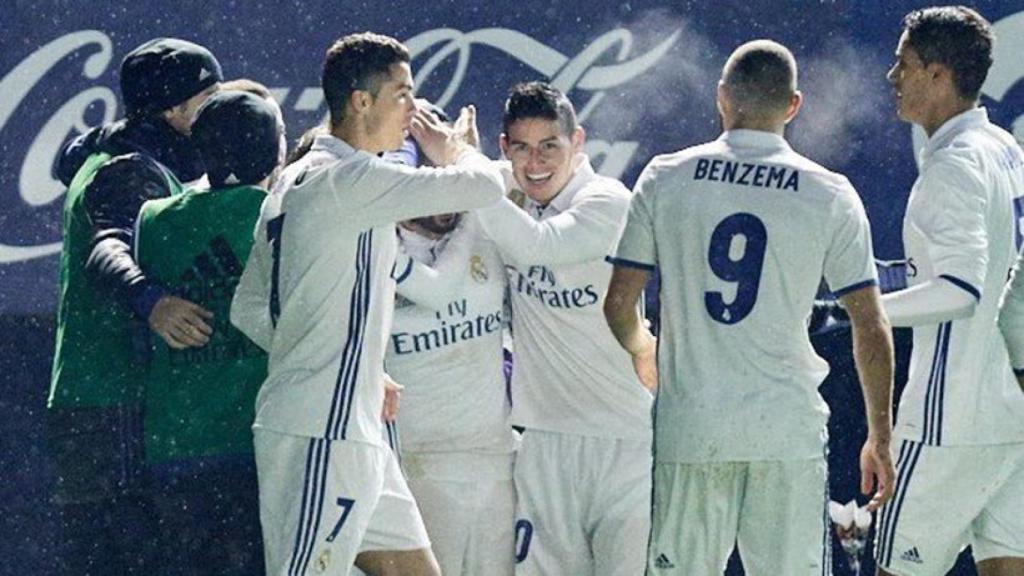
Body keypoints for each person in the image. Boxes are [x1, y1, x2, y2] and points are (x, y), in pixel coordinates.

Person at [604, 40, 895, 575]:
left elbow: (620, 303)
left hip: (693, 424)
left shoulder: (666, 177)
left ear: (722, 98)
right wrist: (880, 432)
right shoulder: (829, 192)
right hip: (784, 428)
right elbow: (871, 325)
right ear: (793, 106)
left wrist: (644, 349)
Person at [230, 32, 503, 576]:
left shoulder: (295, 179)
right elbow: (486, 185)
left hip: (351, 429)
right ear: (361, 101)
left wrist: (356, 364)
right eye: (402, 93)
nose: (414, 109)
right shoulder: (350, 178)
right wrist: (455, 147)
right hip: (320, 431)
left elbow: (249, 308)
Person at [46, 37, 221, 575]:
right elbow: (107, 247)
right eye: (208, 98)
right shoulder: (131, 169)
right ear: (173, 110)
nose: (219, 111)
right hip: (111, 398)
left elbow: (64, 157)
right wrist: (153, 302)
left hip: (92, 399)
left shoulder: (111, 152)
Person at [471, 81, 653, 575]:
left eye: (550, 146)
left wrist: (465, 172)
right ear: (504, 149)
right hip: (543, 444)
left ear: (578, 142)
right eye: (522, 149)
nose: (536, 163)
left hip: (626, 445)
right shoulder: (509, 194)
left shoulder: (607, 200)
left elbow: (537, 246)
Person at [874, 7, 1024, 575]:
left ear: (938, 76)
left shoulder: (954, 165)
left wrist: (868, 311)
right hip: (1011, 420)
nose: (893, 76)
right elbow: (983, 270)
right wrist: (859, 278)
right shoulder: (1007, 151)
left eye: (903, 64)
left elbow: (960, 289)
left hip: (948, 422)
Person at [134, 89, 284, 576]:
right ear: (276, 150)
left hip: (176, 450)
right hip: (258, 448)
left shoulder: (154, 218)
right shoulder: (284, 215)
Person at [382, 103, 518, 576]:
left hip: (495, 461)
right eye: (432, 183)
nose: (447, 201)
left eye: (452, 179)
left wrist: (463, 155)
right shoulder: (373, 242)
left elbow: (530, 176)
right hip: (418, 466)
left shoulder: (484, 220)